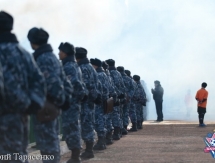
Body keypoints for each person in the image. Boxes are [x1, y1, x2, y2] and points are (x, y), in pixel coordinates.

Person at [0, 11, 46, 162]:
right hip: (21, 116)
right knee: (19, 154)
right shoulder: (24, 53)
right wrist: (32, 105)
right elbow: (39, 81)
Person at [27, 27, 72, 162]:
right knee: (50, 144)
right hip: (50, 108)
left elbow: (52, 85)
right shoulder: (50, 57)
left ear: (33, 42)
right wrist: (63, 102)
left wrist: (56, 102)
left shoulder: (43, 58)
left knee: (48, 146)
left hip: (46, 108)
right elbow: (65, 84)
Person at [59, 42, 88, 163]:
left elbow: (74, 84)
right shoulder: (72, 65)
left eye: (60, 51)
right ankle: (75, 156)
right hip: (72, 102)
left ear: (65, 53)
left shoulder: (69, 66)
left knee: (72, 128)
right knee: (71, 128)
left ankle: (75, 157)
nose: (58, 54)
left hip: (70, 103)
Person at [75, 47, 101, 159]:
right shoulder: (91, 67)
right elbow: (97, 84)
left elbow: (83, 87)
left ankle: (89, 151)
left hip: (85, 101)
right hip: (90, 101)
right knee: (88, 124)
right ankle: (89, 149)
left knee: (86, 125)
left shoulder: (82, 68)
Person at [90, 58, 109, 150]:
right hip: (104, 100)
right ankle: (103, 141)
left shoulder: (98, 75)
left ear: (95, 65)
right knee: (102, 120)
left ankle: (101, 142)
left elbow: (98, 89)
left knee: (99, 121)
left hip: (99, 101)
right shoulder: (104, 74)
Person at [106, 59, 126, 140]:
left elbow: (112, 85)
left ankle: (113, 135)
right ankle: (118, 132)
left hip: (112, 96)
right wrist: (121, 95)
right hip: (118, 96)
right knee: (117, 115)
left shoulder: (109, 73)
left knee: (110, 116)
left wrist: (114, 94)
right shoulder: (118, 73)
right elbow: (122, 86)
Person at [117, 66, 135, 134]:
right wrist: (128, 96)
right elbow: (132, 89)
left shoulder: (118, 78)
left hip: (120, 99)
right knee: (126, 113)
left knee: (120, 114)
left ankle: (121, 129)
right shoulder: (129, 79)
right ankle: (124, 127)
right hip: (127, 99)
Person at [102, 61, 117, 145]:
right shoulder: (109, 75)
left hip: (103, 100)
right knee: (109, 118)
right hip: (109, 99)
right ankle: (109, 137)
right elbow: (112, 88)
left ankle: (104, 140)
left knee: (104, 120)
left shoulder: (103, 75)